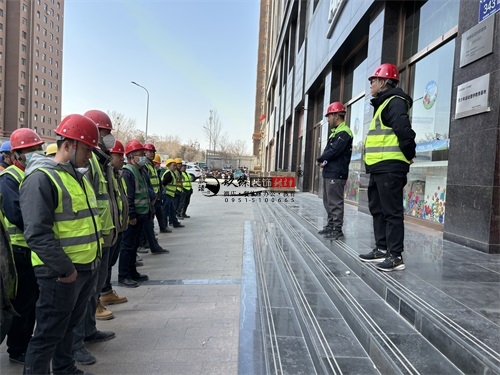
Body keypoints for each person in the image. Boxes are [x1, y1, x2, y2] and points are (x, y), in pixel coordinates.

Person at [20, 114, 102, 375]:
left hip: (85, 267)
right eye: (88, 149)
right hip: (59, 273)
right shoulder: (41, 178)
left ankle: (66, 369)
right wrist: (66, 270)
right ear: (69, 145)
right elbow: (37, 233)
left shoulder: (77, 177)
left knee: (69, 327)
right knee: (47, 334)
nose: (90, 155)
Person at [71, 109, 121, 366]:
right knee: (82, 297)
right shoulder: (86, 161)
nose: (108, 138)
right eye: (105, 133)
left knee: (92, 292)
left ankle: (89, 330)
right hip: (91, 239)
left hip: (103, 236)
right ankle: (75, 343)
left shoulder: (99, 161)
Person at [359, 63, 416, 272]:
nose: (371, 85)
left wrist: (409, 154)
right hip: (378, 168)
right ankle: (382, 249)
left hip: (390, 167)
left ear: (383, 82)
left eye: (373, 81)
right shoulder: (382, 104)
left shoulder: (395, 102)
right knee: (378, 209)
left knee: (391, 212)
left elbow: (404, 130)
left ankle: (395, 255)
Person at [0, 129, 44, 365]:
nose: (34, 154)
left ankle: (26, 342)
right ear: (15, 155)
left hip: (32, 249)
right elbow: (17, 214)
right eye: (29, 151)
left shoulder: (30, 175)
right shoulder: (9, 179)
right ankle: (17, 348)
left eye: (36, 150)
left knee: (32, 300)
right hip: (19, 251)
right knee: (23, 303)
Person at [316, 102, 353, 240]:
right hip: (330, 172)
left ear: (336, 115)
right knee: (328, 201)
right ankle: (331, 225)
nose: (328, 119)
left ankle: (337, 229)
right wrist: (324, 161)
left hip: (337, 173)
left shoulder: (344, 132)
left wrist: (320, 159)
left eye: (329, 116)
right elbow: (330, 152)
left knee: (335, 202)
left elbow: (334, 151)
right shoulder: (336, 132)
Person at [118, 140, 151, 288]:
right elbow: (128, 196)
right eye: (141, 154)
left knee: (134, 245)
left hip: (142, 214)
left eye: (144, 154)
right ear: (131, 157)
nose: (144, 157)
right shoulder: (128, 173)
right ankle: (124, 275)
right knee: (127, 246)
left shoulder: (141, 171)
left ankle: (132, 272)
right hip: (134, 217)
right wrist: (131, 215)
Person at [100, 140, 130, 303]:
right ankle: (100, 297)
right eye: (119, 155)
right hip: (106, 226)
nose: (122, 159)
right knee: (102, 267)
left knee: (109, 263)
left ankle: (106, 291)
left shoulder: (117, 174)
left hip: (116, 225)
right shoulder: (103, 172)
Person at [161, 159, 184, 229]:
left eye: (175, 165)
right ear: (168, 166)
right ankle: (164, 225)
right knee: (165, 210)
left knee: (172, 210)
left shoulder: (172, 173)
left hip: (170, 195)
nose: (175, 167)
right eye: (173, 165)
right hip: (167, 195)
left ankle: (175, 223)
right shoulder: (168, 174)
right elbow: (163, 184)